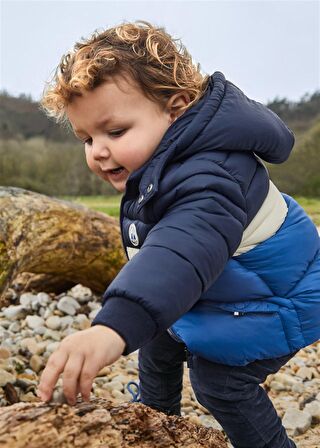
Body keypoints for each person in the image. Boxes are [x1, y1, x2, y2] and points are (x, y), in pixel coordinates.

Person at [37, 21, 320, 448]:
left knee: (219, 382)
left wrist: (111, 328)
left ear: (177, 108)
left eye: (115, 132)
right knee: (160, 335)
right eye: (86, 138)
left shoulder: (209, 175)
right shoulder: (164, 164)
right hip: (233, 288)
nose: (97, 151)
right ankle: (158, 423)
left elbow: (179, 253)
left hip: (285, 299)